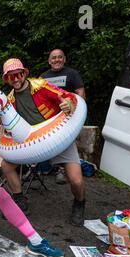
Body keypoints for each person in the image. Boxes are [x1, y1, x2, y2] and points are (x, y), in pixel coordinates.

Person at [0, 58, 86, 226]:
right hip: (32, 144)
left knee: (76, 180)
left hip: (57, 136)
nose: (15, 79)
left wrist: (68, 103)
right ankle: (19, 200)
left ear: (24, 73)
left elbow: (68, 97)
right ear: (7, 80)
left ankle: (79, 203)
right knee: (6, 165)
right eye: (10, 77)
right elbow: (9, 127)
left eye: (17, 74)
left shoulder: (40, 86)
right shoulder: (9, 101)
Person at [40, 49, 86, 184]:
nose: (57, 60)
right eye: (53, 58)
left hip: (68, 117)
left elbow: (81, 94)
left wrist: (76, 112)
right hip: (48, 117)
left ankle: (62, 169)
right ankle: (36, 167)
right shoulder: (42, 77)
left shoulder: (72, 74)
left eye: (60, 57)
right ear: (49, 61)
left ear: (64, 59)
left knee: (63, 142)